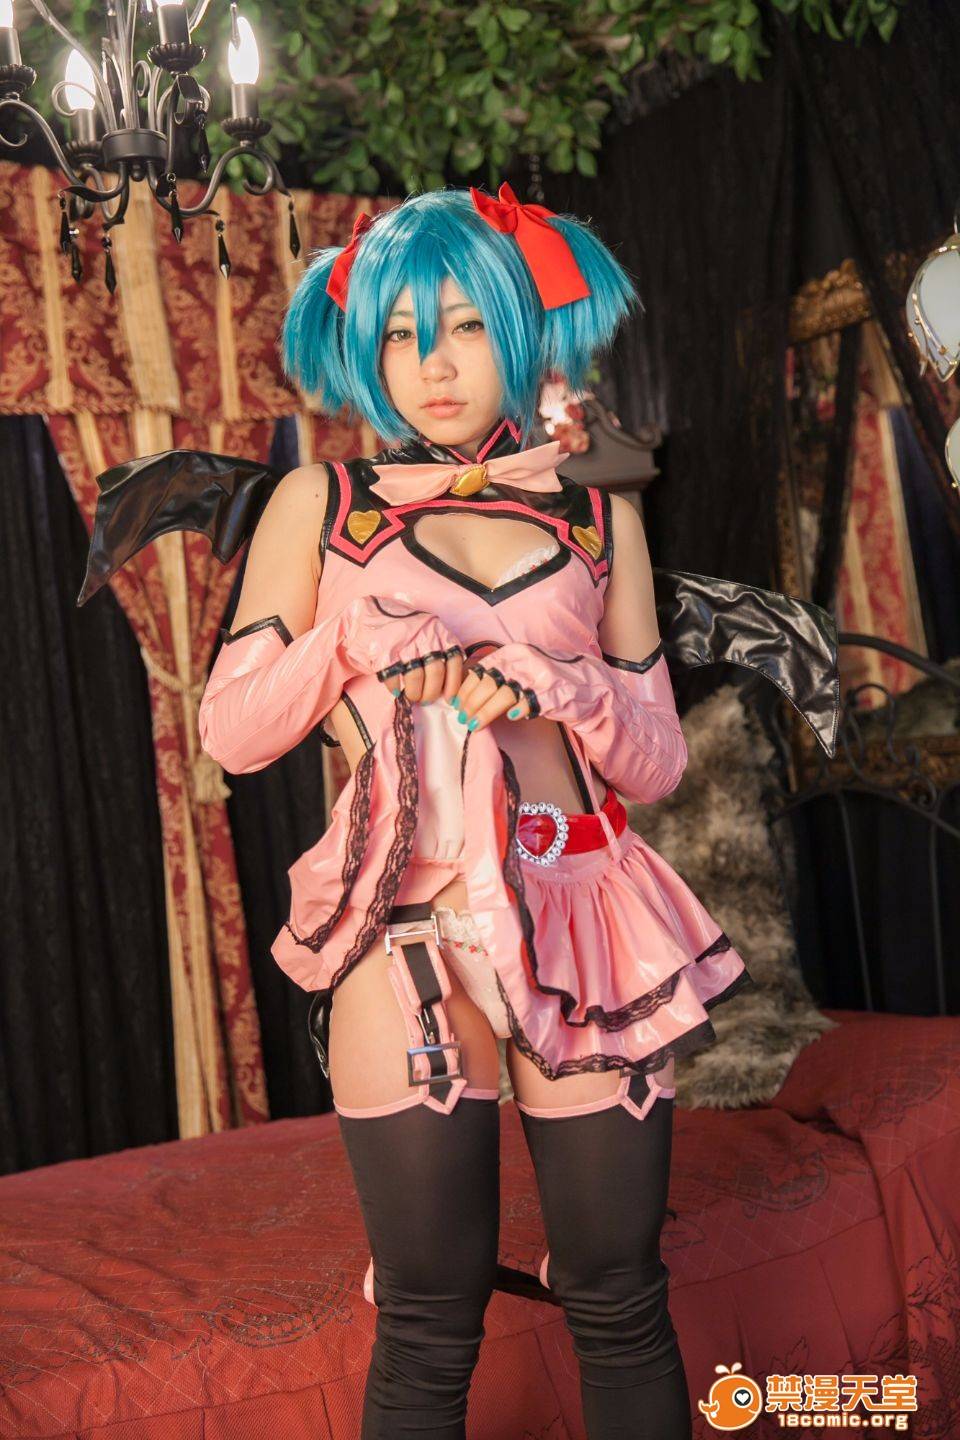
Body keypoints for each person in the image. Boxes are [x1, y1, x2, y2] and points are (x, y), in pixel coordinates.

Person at [195, 182, 754, 1440]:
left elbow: (658, 761)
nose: (433, 365)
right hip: (413, 937)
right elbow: (233, 731)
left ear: (516, 328)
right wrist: (357, 640)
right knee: (429, 1321)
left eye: (461, 327)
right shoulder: (320, 505)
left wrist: (558, 686)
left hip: (587, 916)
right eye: (400, 334)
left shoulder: (601, 517)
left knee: (620, 1297)